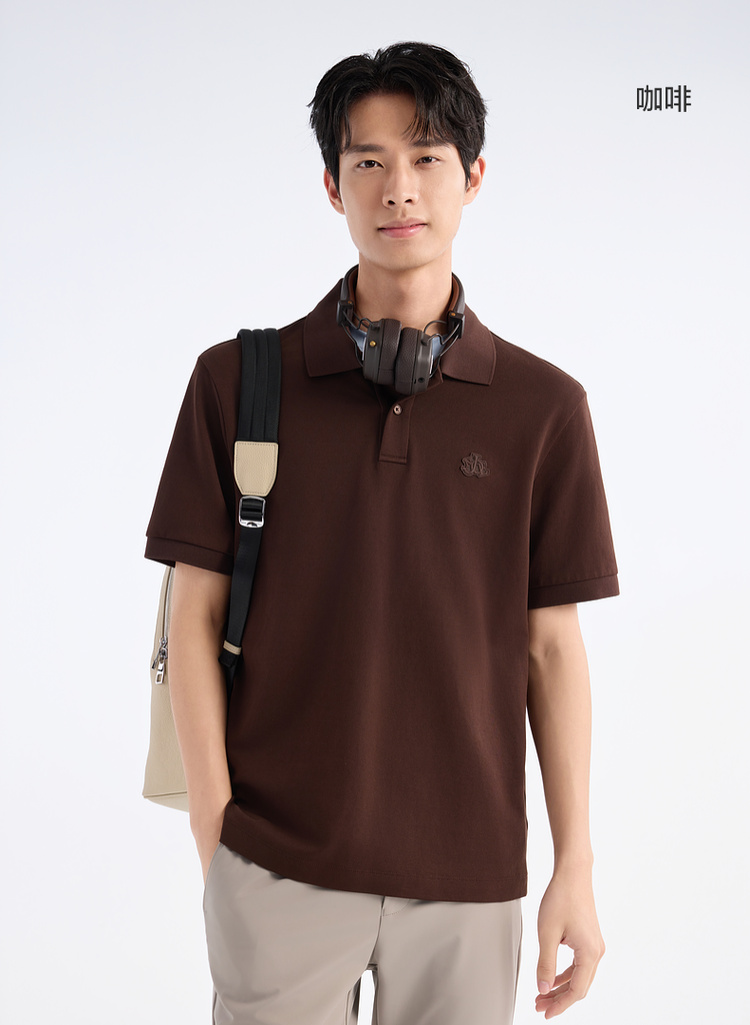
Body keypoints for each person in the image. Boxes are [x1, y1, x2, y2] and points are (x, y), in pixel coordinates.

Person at [145, 41, 619, 1025]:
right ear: (333, 186)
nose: (398, 186)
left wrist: (573, 863)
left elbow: (551, 648)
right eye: (368, 161)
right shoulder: (237, 382)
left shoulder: (544, 407)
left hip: (469, 877)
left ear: (473, 176)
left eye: (427, 157)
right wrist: (219, 835)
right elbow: (192, 619)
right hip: (277, 863)